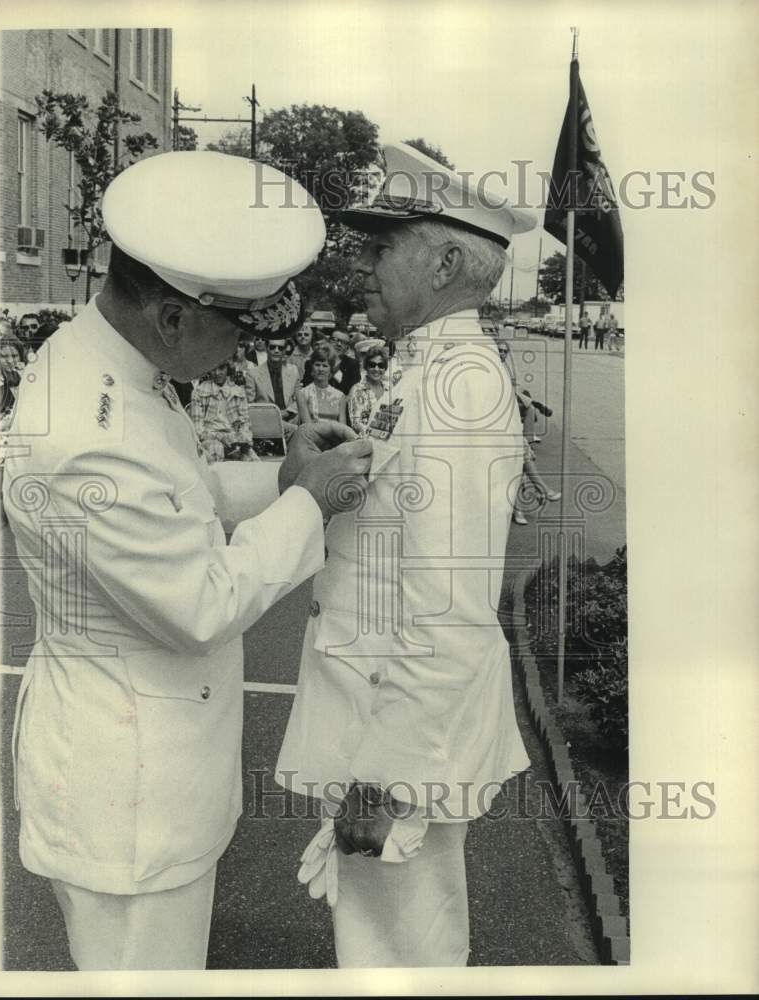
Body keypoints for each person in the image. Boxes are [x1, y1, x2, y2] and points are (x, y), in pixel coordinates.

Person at [2, 150, 372, 971]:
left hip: (145, 759)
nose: (241, 351)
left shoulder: (108, 366)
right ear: (174, 317)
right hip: (128, 791)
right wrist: (309, 502)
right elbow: (200, 603)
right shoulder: (89, 436)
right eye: (237, 327)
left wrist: (277, 476)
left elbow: (178, 499)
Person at [275, 142, 533, 967]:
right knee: (383, 945)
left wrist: (388, 777)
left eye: (382, 246)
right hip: (375, 711)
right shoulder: (424, 369)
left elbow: (448, 605)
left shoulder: (458, 385)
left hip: (395, 735)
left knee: (401, 958)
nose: (361, 264)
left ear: (448, 260)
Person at [496, 341, 560, 525]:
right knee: (521, 456)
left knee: (520, 459)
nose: (502, 354)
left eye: (504, 351)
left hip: (507, 420)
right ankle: (541, 490)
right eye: (499, 350)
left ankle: (520, 509)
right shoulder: (492, 369)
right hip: (495, 424)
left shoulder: (503, 368)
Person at [189, 363, 256, 462]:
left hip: (233, 438)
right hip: (210, 437)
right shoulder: (199, 392)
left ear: (227, 368)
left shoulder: (238, 391)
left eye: (221, 368)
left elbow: (244, 422)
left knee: (249, 459)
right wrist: (220, 437)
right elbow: (198, 429)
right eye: (213, 369)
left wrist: (242, 439)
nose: (217, 373)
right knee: (215, 449)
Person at [245, 338, 302, 433]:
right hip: (265, 421)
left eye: (280, 348)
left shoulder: (293, 372)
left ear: (284, 350)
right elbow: (250, 405)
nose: (276, 350)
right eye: (272, 347)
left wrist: (287, 412)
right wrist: (275, 415)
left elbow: (299, 400)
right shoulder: (253, 374)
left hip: (290, 419)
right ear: (267, 348)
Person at [295, 347, 348, 425]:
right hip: (311, 435)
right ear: (312, 367)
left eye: (325, 366)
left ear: (331, 369)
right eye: (317, 365)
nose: (321, 369)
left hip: (335, 436)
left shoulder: (340, 396)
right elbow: (308, 427)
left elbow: (343, 427)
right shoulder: (302, 394)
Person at [347, 345, 389, 435]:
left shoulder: (389, 389)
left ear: (385, 368)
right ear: (366, 367)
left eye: (381, 365)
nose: (376, 369)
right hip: (366, 440)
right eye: (372, 365)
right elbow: (356, 423)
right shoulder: (357, 390)